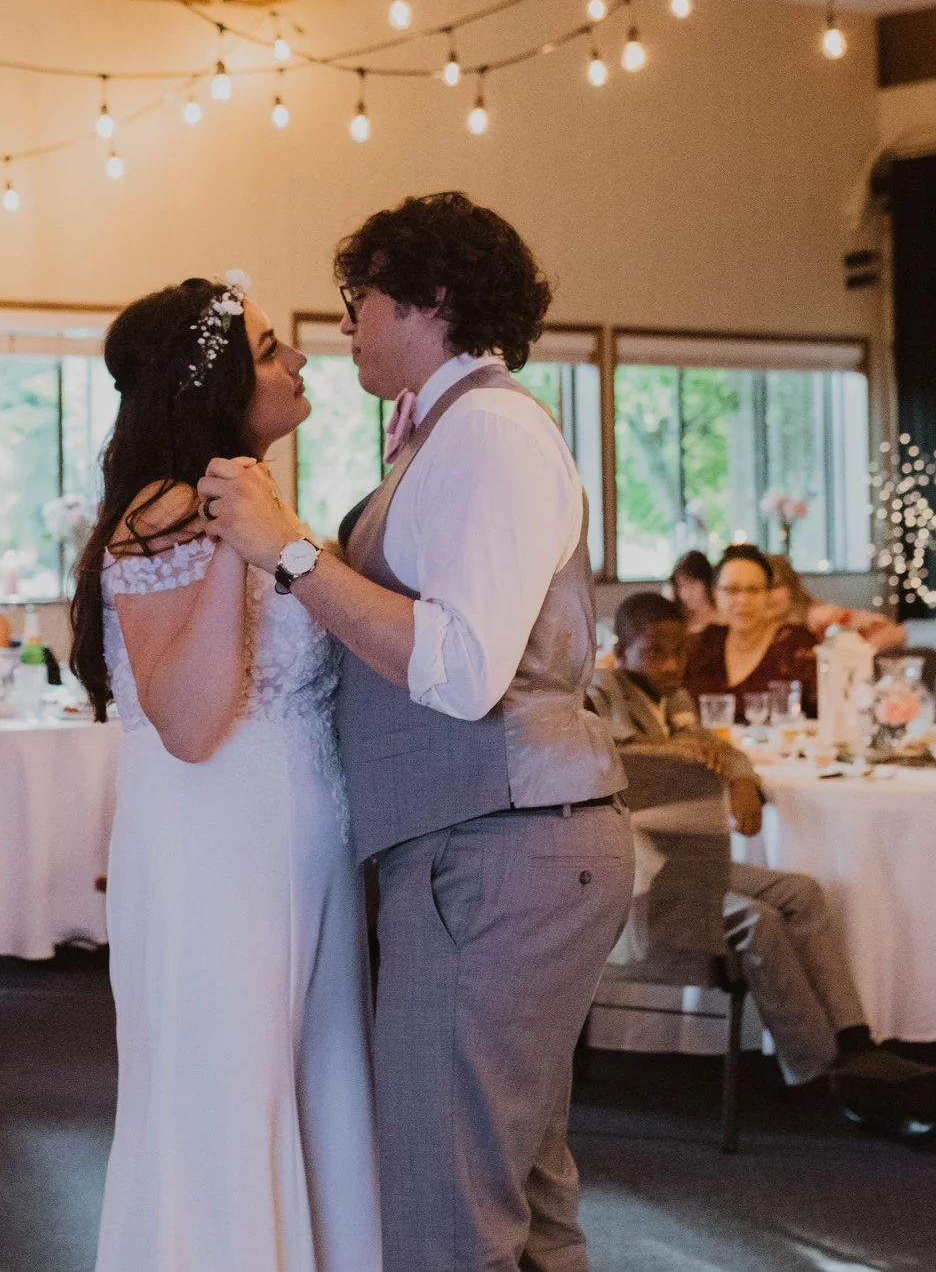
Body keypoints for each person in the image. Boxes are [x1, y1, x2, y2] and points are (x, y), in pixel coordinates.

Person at [202, 193, 631, 1272]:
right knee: (517, 1189)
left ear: (430, 301)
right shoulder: (443, 437)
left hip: (498, 841)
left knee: (447, 1203)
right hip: (488, 839)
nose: (344, 325)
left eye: (360, 300)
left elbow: (459, 665)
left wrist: (292, 553)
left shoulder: (488, 431)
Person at [73, 275, 375, 1272]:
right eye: (272, 344)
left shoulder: (255, 496)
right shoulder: (164, 511)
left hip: (299, 833)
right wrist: (239, 550)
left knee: (311, 1077)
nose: (297, 360)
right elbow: (193, 722)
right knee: (228, 1089)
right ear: (215, 379)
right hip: (214, 843)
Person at [599, 593, 936, 1132]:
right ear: (620, 651)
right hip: (642, 883)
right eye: (655, 653)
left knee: (803, 893)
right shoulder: (602, 691)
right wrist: (696, 760)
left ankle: (856, 1042)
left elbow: (715, 746)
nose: (671, 665)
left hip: (690, 867)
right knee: (759, 918)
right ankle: (836, 1077)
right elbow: (622, 759)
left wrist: (739, 775)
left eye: (679, 652)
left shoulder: (672, 695)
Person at [685, 545, 820, 703]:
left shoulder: (795, 646)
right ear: (715, 594)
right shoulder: (702, 645)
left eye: (753, 590)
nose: (743, 600)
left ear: (768, 595)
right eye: (732, 590)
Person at [771, 554, 905, 652]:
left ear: (789, 588)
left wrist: (857, 655)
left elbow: (894, 632)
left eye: (772, 586)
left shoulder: (819, 617)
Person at [669, 549, 720, 634]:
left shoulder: (724, 617)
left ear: (707, 582)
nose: (687, 593)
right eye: (681, 586)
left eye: (692, 583)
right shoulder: (677, 619)